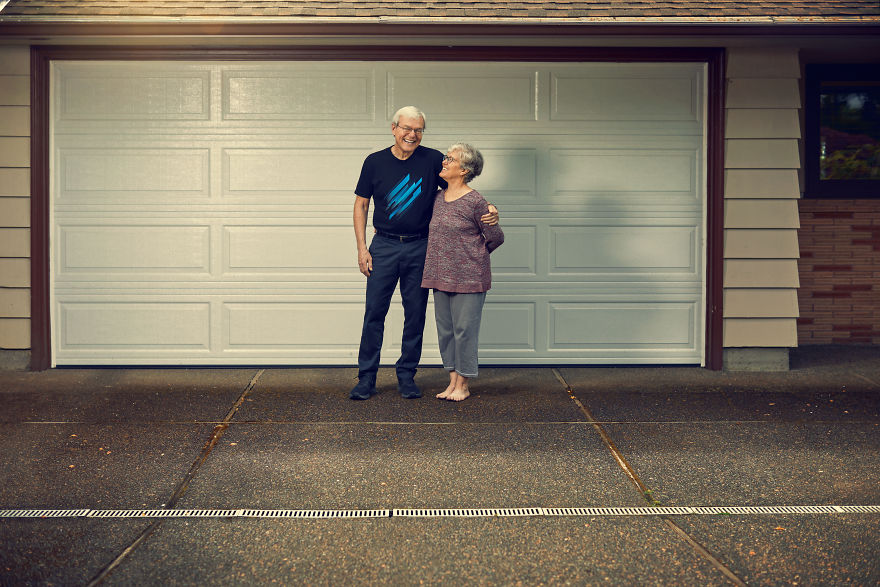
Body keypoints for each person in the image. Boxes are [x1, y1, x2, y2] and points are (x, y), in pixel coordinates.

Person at [351, 107, 498, 400]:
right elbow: (361, 205)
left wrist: (490, 208)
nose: (412, 135)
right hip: (384, 247)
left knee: (415, 314)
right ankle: (366, 378)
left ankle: (407, 376)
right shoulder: (374, 162)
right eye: (407, 128)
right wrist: (362, 248)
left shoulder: (432, 160)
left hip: (421, 247)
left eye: (418, 130)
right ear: (394, 128)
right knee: (374, 313)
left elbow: (459, 188)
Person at [421, 144, 504, 402]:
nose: (444, 161)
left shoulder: (476, 201)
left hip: (469, 278)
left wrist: (474, 258)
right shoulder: (437, 198)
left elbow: (496, 237)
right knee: (446, 332)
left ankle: (463, 385)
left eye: (450, 159)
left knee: (464, 331)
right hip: (439, 276)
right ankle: (452, 381)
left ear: (464, 170)